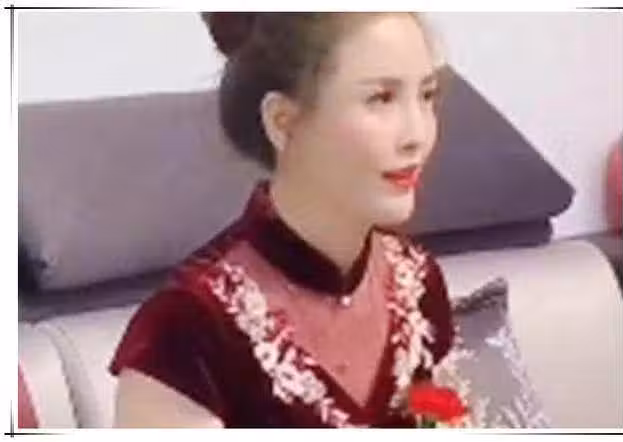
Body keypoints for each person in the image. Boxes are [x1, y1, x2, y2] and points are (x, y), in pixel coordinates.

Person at [110, 12, 454, 428]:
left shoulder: (415, 281)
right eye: (380, 99)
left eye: (427, 96)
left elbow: (446, 419)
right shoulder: (187, 329)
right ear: (282, 122)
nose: (417, 134)